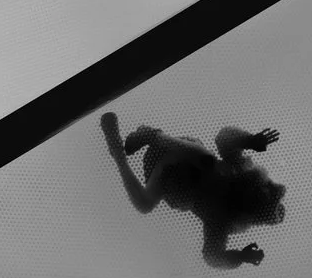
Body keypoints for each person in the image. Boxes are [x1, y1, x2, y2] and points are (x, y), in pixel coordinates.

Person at [101, 111, 286, 267]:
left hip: (164, 176)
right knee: (207, 161)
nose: (264, 193)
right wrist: (250, 140)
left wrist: (240, 257)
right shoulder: (241, 168)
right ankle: (152, 135)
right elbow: (224, 138)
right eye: (269, 191)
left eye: (265, 200)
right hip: (180, 150)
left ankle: (118, 155)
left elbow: (211, 256)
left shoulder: (221, 221)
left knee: (144, 205)